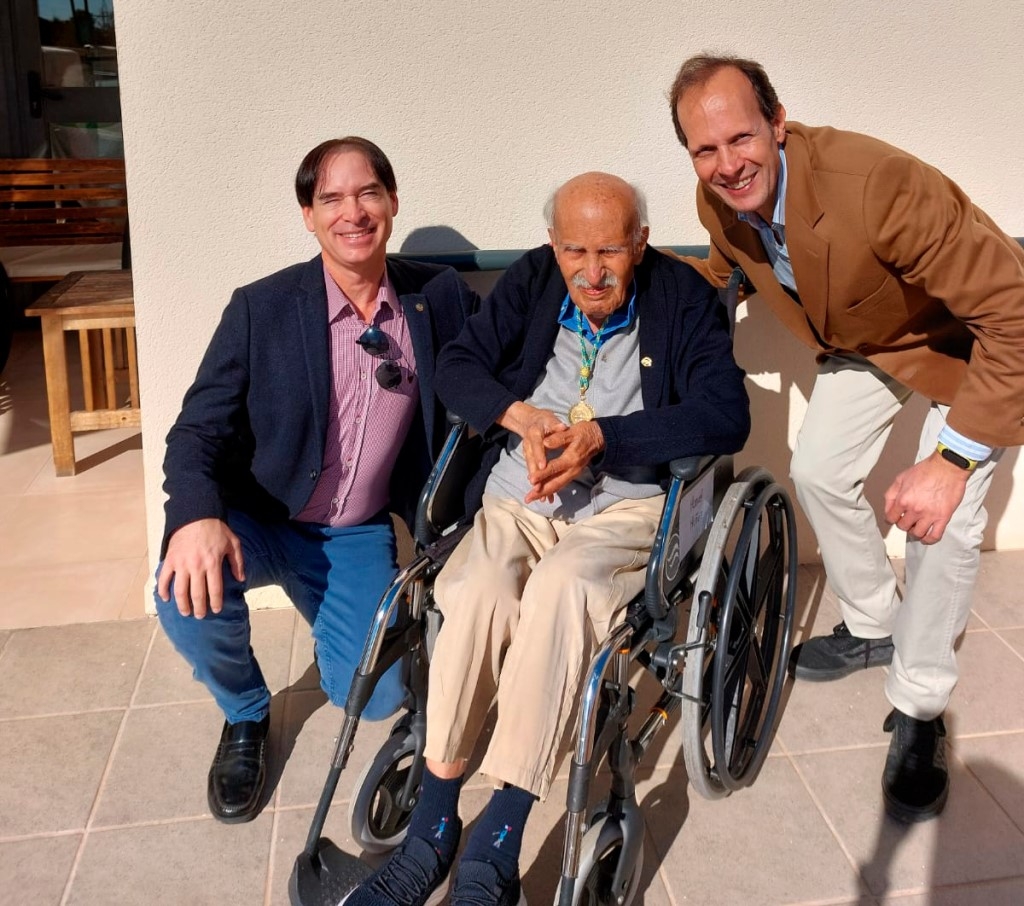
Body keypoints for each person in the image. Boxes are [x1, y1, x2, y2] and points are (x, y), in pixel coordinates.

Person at [344, 172, 750, 906]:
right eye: (574, 251)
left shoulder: (683, 299)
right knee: (472, 592)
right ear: (553, 246)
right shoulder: (535, 279)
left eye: (610, 252)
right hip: (519, 497)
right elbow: (459, 367)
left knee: (563, 593)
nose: (591, 273)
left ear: (641, 244)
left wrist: (602, 438)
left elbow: (726, 415)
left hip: (623, 506)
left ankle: (497, 843)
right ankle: (434, 832)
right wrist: (519, 417)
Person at [669, 54, 1024, 823]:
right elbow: (727, 267)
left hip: (970, 339)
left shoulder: (879, 187)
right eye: (705, 150)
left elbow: (1014, 314)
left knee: (945, 521)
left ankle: (922, 705)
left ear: (778, 121)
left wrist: (954, 459)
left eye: (741, 138)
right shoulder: (717, 200)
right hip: (876, 338)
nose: (727, 165)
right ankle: (872, 623)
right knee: (820, 469)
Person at [154, 137, 477, 824]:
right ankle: (245, 715)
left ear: (392, 201)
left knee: (379, 695)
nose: (351, 212)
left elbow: (497, 372)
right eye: (330, 197)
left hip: (353, 533)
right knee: (184, 596)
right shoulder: (261, 308)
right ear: (308, 215)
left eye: (367, 193)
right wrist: (193, 517)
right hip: (259, 518)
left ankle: (335, 617)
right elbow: (197, 430)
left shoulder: (436, 297)